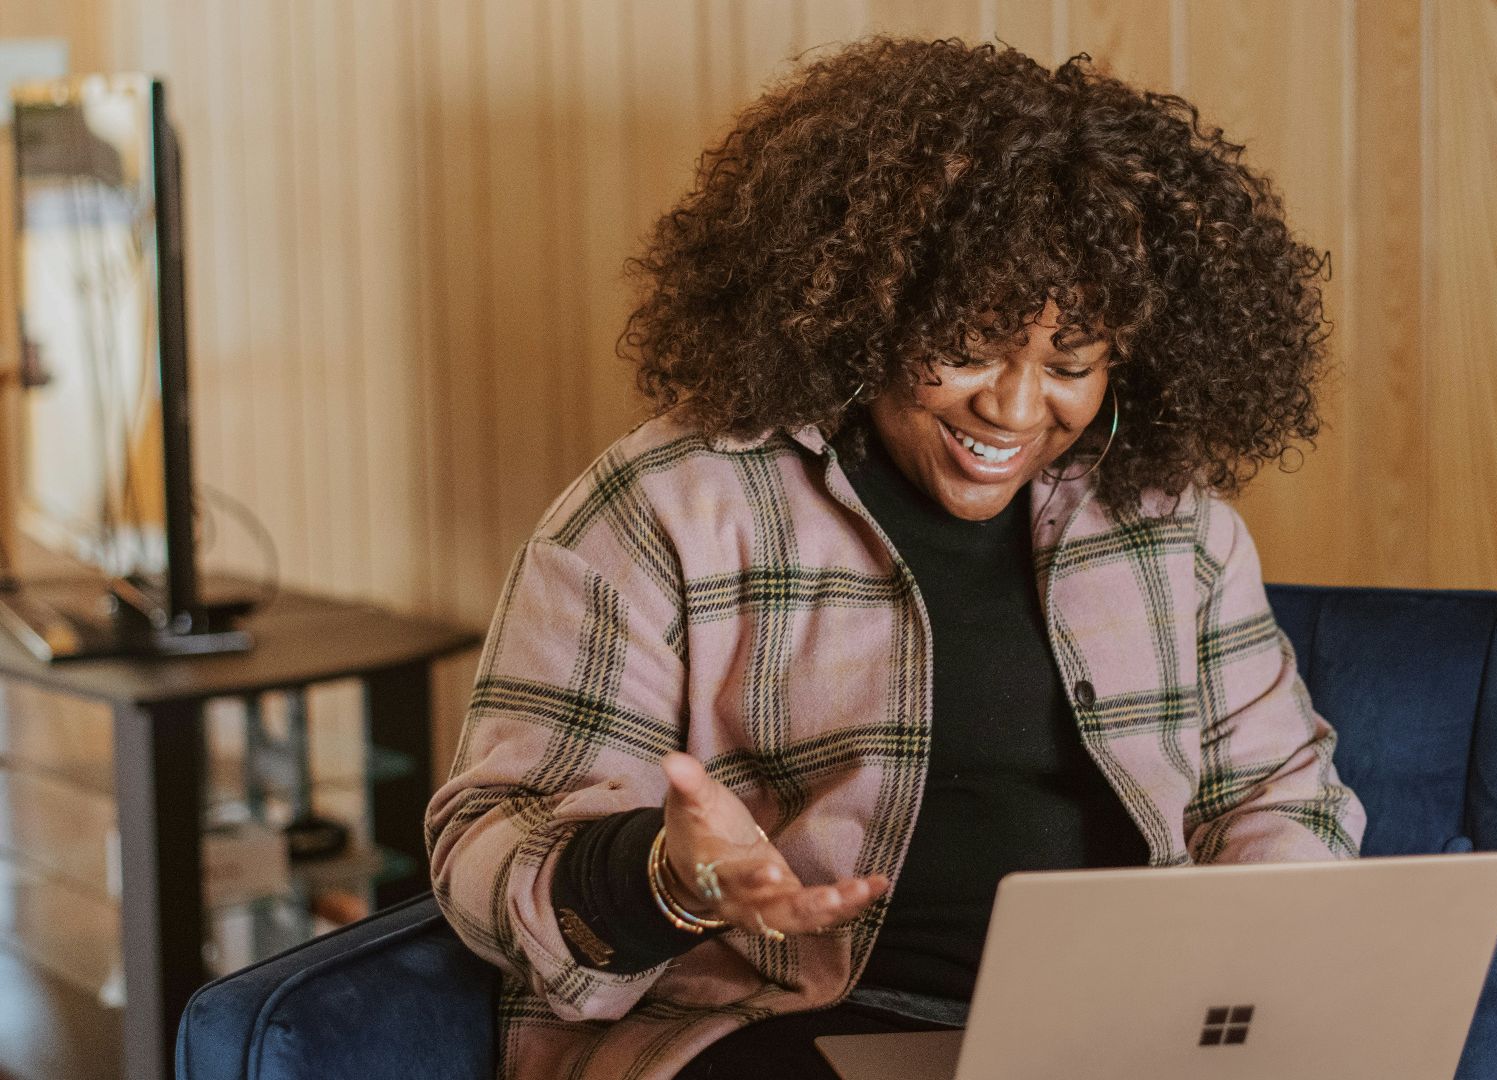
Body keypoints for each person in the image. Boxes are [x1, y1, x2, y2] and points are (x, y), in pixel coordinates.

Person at [425, 34, 1365, 1080]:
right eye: (965, 347)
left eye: (1069, 361)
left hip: (1107, 1037)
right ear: (868, 309)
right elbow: (487, 840)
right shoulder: (669, 506)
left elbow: (1279, 793)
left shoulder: (1173, 526)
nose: (1013, 408)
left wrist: (1253, 975)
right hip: (776, 1027)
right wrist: (662, 879)